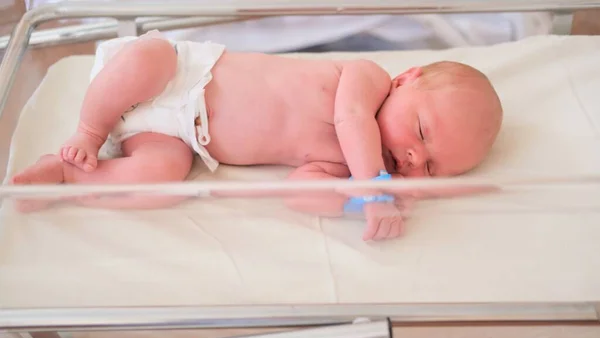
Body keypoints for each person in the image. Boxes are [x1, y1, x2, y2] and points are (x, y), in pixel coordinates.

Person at [10, 30, 503, 241]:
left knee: (160, 179)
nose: (414, 157)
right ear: (406, 79)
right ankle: (89, 130)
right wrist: (373, 186)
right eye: (421, 132)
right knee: (150, 55)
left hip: (182, 137)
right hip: (180, 74)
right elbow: (352, 119)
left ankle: (66, 176)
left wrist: (355, 201)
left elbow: (297, 194)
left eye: (430, 167)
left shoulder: (346, 166)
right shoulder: (367, 80)